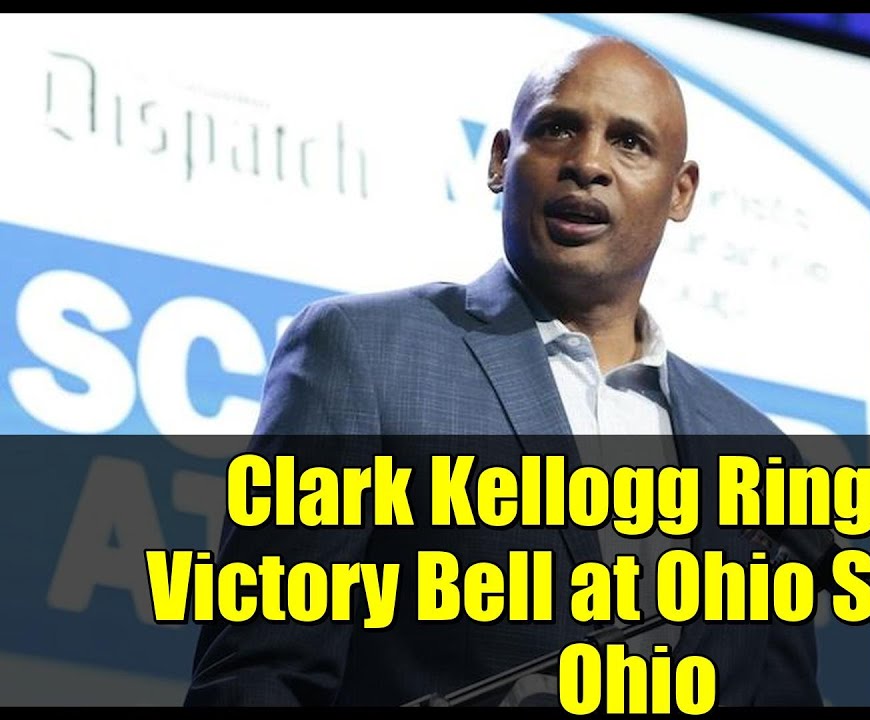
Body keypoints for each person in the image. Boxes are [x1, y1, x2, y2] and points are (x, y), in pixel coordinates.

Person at [183, 35, 821, 707]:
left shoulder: (758, 454)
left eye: (630, 143)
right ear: (498, 161)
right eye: (556, 129)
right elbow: (257, 680)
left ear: (680, 192)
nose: (587, 164)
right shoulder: (365, 355)